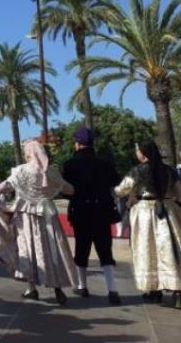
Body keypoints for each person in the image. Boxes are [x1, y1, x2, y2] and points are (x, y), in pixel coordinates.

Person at [0, 139, 78, 305]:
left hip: (26, 216)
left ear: (29, 153)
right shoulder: (51, 172)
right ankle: (58, 289)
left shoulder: (22, 171)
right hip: (48, 216)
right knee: (51, 249)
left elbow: (7, 185)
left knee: (28, 250)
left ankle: (31, 289)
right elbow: (69, 189)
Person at [115, 141, 181, 309]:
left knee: (148, 250)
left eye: (137, 150)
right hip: (168, 212)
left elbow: (121, 190)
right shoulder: (169, 171)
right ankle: (177, 290)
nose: (136, 153)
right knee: (171, 250)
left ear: (143, 154)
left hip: (145, 214)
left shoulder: (137, 171)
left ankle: (154, 290)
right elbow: (179, 193)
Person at [61, 126, 122, 305]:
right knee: (105, 250)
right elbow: (117, 184)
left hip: (81, 212)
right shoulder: (105, 163)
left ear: (78, 144)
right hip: (102, 212)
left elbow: (66, 191)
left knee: (82, 248)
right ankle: (112, 290)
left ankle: (82, 286)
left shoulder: (70, 164)